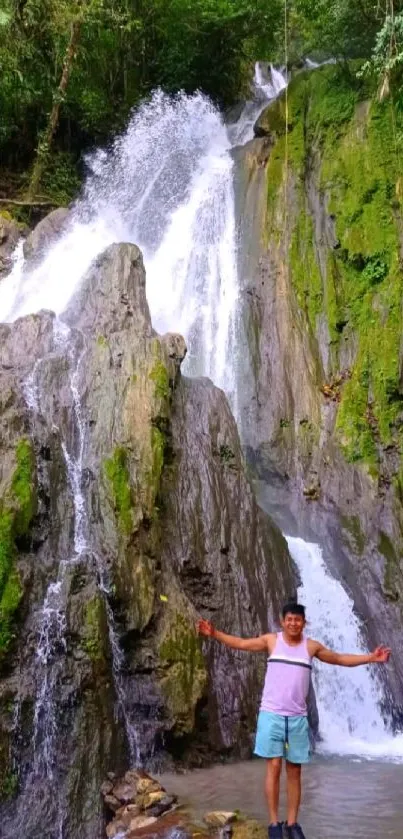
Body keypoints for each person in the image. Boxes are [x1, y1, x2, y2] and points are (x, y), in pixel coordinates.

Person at [197, 601, 391, 839]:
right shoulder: (271, 641)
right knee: (274, 766)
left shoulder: (311, 647)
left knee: (294, 771)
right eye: (289, 619)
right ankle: (273, 823)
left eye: (297, 619)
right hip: (271, 715)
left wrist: (371, 658)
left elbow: (339, 659)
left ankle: (292, 824)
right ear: (283, 621)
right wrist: (214, 633)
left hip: (297, 719)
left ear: (303, 623)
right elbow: (242, 644)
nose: (293, 623)